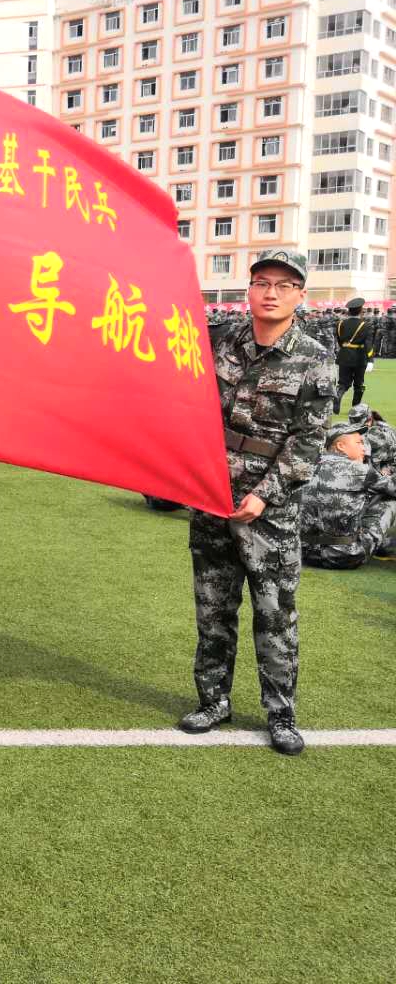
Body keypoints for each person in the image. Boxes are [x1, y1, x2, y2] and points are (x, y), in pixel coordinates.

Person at [179, 252, 335, 757]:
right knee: (213, 608)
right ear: (247, 290)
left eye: (284, 285)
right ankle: (213, 701)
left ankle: (281, 714)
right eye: (262, 282)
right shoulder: (220, 342)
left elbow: (308, 442)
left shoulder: (314, 358)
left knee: (275, 615)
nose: (271, 293)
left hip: (271, 509)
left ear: (300, 296)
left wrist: (264, 496)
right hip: (212, 496)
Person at [299, 423, 396, 569]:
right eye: (358, 443)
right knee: (389, 501)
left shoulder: (306, 464)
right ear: (340, 446)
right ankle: (386, 546)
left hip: (304, 553)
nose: (364, 448)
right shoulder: (360, 470)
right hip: (345, 556)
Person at [334, 297, 374, 412]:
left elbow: (340, 341)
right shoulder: (365, 325)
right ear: (361, 310)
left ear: (349, 311)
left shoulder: (340, 324)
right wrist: (370, 359)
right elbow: (368, 344)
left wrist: (346, 349)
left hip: (344, 356)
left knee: (342, 383)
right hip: (359, 358)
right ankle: (356, 408)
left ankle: (338, 396)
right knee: (358, 384)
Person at [348, 404, 396, 476]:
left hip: (388, 463)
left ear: (370, 420)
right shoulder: (358, 429)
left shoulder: (381, 434)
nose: (356, 429)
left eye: (359, 426)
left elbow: (375, 462)